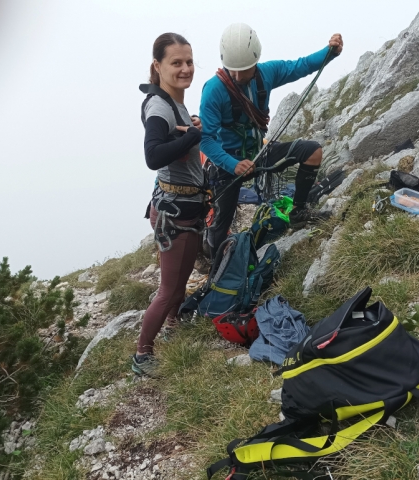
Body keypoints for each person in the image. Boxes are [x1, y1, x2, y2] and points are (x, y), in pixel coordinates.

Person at [199, 23, 344, 260]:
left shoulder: (266, 73)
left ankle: (298, 212)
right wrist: (232, 164)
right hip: (228, 165)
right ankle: (216, 265)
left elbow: (301, 66)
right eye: (231, 69)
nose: (236, 76)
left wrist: (329, 53)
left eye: (243, 70)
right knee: (220, 225)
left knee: (313, 152)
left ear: (255, 61)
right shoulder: (214, 90)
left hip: (259, 153)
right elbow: (206, 140)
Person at [133, 33, 204, 377]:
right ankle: (142, 354)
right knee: (168, 288)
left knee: (182, 277)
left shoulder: (175, 101)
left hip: (185, 207)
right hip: (174, 211)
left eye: (189, 61)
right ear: (157, 66)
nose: (185, 68)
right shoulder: (160, 107)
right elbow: (153, 155)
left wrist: (191, 129)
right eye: (176, 63)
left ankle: (174, 322)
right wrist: (192, 136)